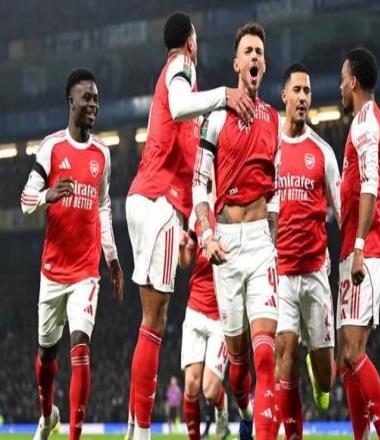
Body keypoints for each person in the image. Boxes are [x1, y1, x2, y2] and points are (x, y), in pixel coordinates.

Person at [124, 12, 253, 440]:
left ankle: (133, 427)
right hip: (159, 202)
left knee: (149, 321)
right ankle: (143, 432)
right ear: (191, 43)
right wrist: (224, 95)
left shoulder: (172, 82)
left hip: (146, 199)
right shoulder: (182, 66)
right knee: (153, 323)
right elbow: (181, 105)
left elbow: (178, 129)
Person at [20, 68, 124, 440]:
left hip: (86, 272)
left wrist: (112, 258)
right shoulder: (51, 147)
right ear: (71, 101)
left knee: (80, 345)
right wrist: (47, 195)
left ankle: (74, 436)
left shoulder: (102, 154)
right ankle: (47, 416)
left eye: (96, 99)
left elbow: (103, 208)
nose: (93, 104)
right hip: (52, 271)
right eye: (87, 98)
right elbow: (25, 200)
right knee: (46, 356)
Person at [192, 21, 280, 440]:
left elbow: (277, 186)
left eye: (259, 51)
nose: (255, 57)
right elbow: (198, 184)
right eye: (248, 51)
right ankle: (244, 412)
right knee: (239, 365)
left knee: (265, 353)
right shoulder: (214, 118)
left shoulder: (273, 118)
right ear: (236, 64)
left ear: (264, 64)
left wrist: (273, 233)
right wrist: (207, 235)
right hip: (225, 246)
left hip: (261, 245)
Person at [274, 63, 340, 439]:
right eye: (297, 90)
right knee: (285, 356)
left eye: (307, 91)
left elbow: (342, 212)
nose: (302, 97)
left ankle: (320, 375)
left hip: (315, 271)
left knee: (327, 379)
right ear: (284, 95)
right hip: (281, 272)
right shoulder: (270, 147)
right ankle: (292, 434)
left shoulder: (323, 152)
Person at [336, 47, 380, 440]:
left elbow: (371, 186)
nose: (340, 86)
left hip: (366, 248)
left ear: (354, 82)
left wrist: (358, 247)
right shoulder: (365, 121)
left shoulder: (367, 124)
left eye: (343, 79)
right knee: (345, 357)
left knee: (354, 352)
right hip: (353, 247)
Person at [178, 197, 230, 440]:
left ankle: (222, 408)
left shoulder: (233, 208)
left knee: (209, 391)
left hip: (221, 316)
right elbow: (185, 262)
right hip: (196, 308)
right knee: (190, 385)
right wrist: (182, 249)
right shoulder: (198, 212)